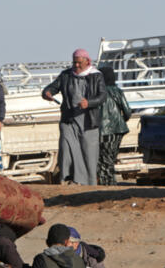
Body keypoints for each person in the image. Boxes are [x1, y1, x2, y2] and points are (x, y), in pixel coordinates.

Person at [42, 49, 106, 185]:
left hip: (88, 121)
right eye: (74, 63)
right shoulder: (66, 75)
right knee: (66, 148)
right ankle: (66, 179)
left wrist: (89, 103)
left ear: (87, 61)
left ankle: (88, 183)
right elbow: (52, 88)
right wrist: (47, 93)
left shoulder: (96, 76)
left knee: (88, 153)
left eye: (79, 63)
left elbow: (102, 96)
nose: (76, 65)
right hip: (69, 120)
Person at [97, 64, 131, 185]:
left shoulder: (97, 92)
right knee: (110, 157)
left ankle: (107, 184)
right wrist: (121, 121)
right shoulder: (118, 91)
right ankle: (110, 183)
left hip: (103, 131)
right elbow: (127, 111)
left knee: (103, 159)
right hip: (119, 130)